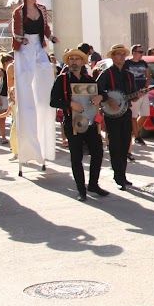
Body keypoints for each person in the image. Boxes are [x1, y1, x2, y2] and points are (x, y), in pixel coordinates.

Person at [8, 0, 57, 167]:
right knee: (25, 85)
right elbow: (15, 31)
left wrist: (51, 37)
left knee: (45, 76)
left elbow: (45, 28)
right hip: (24, 48)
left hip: (38, 46)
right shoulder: (18, 12)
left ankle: (46, 104)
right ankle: (27, 146)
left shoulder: (42, 9)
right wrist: (21, 39)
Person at [50, 48, 108, 201]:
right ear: (68, 62)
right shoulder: (61, 79)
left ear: (83, 62)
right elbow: (53, 101)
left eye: (77, 59)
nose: (74, 61)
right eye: (71, 59)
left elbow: (105, 94)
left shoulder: (88, 79)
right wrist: (70, 104)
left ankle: (93, 185)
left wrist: (100, 97)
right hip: (72, 123)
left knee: (98, 153)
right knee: (76, 157)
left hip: (90, 123)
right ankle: (81, 190)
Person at [96, 44, 138, 189]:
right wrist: (108, 98)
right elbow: (97, 89)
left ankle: (123, 175)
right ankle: (118, 176)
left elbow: (133, 95)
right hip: (112, 116)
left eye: (122, 54)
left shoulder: (129, 75)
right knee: (115, 145)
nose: (121, 57)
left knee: (126, 144)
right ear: (113, 57)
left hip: (126, 113)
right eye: (118, 54)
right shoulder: (107, 74)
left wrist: (137, 95)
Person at [124, 44, 152, 149]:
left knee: (145, 114)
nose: (142, 54)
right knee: (133, 116)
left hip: (143, 91)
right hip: (133, 93)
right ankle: (137, 136)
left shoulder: (143, 63)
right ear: (134, 52)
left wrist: (146, 87)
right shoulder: (127, 64)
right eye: (140, 52)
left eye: (142, 52)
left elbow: (148, 76)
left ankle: (134, 132)